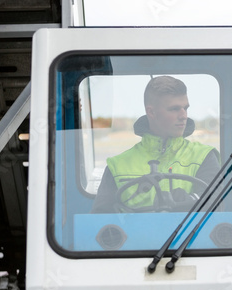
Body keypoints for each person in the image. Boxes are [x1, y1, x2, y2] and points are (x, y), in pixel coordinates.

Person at [91, 76, 220, 213]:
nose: (183, 116)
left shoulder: (204, 156)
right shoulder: (117, 165)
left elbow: (215, 209)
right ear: (151, 112)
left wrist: (183, 200)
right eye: (174, 109)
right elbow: (102, 224)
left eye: (185, 108)